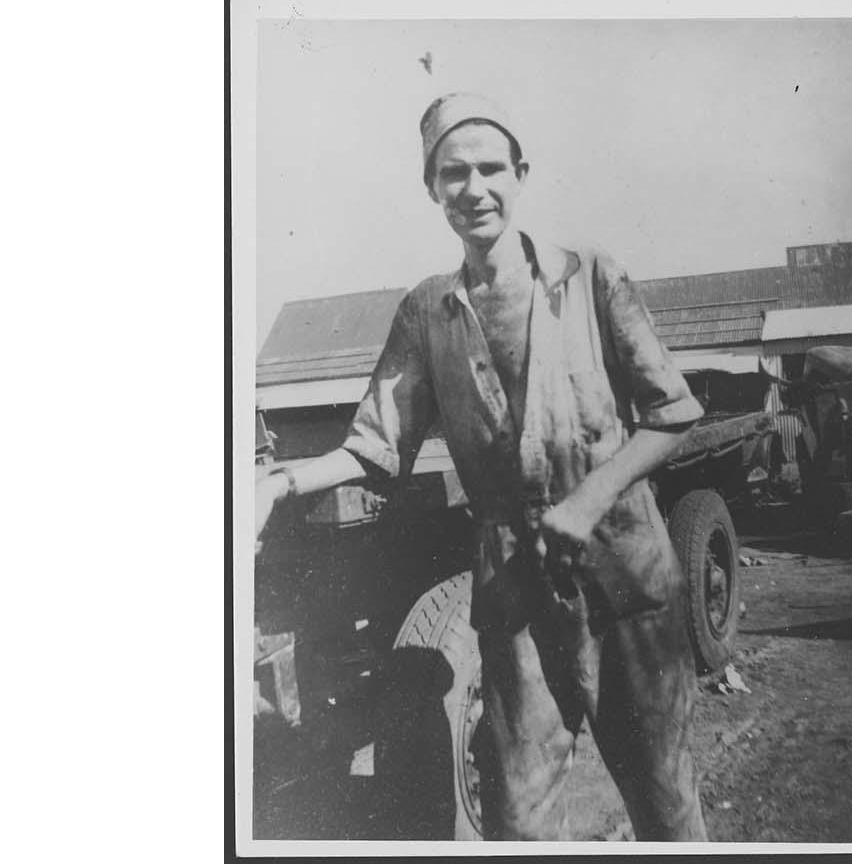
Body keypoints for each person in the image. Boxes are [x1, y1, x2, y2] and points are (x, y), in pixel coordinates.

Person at [255, 92, 709, 841]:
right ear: (431, 188)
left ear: (521, 173)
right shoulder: (426, 312)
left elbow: (674, 413)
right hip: (516, 596)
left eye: (491, 169)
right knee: (518, 819)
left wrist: (587, 501)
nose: (474, 189)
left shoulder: (591, 277)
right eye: (453, 173)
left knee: (666, 802)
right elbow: (375, 445)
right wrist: (279, 481)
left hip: (626, 578)